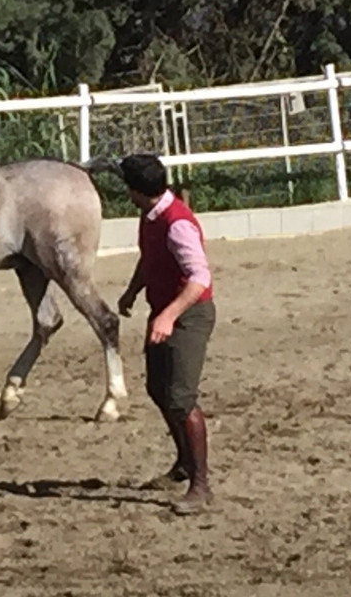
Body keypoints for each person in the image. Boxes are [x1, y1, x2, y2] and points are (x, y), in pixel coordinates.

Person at [116, 154, 216, 515]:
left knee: (180, 397)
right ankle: (184, 463)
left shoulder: (177, 224)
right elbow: (149, 259)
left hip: (188, 315)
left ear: (135, 190)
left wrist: (168, 316)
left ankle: (200, 485)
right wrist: (132, 291)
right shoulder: (152, 215)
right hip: (166, 313)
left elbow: (200, 278)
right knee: (158, 388)